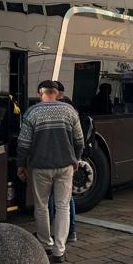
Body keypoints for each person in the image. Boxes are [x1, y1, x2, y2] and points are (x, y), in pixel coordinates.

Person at [17, 80, 84, 263]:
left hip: (40, 167)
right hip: (65, 166)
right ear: (57, 93)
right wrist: (76, 158)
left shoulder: (33, 112)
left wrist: (21, 164)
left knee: (41, 206)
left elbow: (24, 143)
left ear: (41, 93)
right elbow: (79, 140)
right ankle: (59, 250)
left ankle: (46, 243)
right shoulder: (70, 111)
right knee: (63, 206)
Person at [49, 81, 77, 243]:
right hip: (68, 157)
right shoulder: (69, 106)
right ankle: (69, 231)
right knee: (66, 197)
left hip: (60, 157)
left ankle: (65, 231)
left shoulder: (61, 106)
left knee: (60, 198)